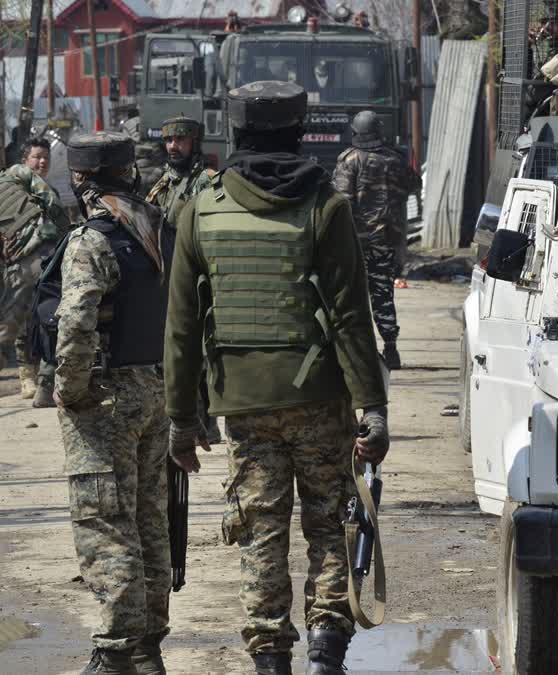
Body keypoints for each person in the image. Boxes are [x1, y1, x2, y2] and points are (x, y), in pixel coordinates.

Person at [162, 81, 390, 675]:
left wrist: (182, 422)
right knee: (328, 524)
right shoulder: (325, 207)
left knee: (261, 532)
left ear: (235, 133)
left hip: (242, 402)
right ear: (297, 132)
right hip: (319, 397)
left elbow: (182, 329)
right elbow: (349, 317)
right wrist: (373, 407)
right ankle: (326, 655)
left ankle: (270, 661)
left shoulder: (200, 208)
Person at [55, 131, 173, 675]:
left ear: (80, 180)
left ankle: (118, 651)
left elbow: (76, 325)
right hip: (154, 387)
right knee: (149, 517)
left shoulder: (92, 240)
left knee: (105, 520)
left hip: (107, 397)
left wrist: (71, 390)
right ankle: (147, 648)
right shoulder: (154, 228)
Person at [0, 161, 68, 409]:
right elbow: (51, 200)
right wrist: (64, 235)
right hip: (53, 256)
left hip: (22, 268)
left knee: (5, 327)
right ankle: (45, 388)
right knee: (55, 321)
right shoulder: (18, 173)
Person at [145, 115, 222, 444]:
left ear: (194, 142)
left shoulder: (208, 180)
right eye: (169, 141)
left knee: (204, 349)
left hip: (200, 273)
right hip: (170, 274)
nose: (173, 147)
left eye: (180, 140)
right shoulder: (163, 183)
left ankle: (209, 419)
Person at [332, 110, 421, 371]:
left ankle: (356, 352)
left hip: (354, 242)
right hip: (386, 239)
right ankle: (390, 348)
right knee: (382, 293)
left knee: (351, 295)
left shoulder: (348, 160)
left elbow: (340, 199)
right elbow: (414, 185)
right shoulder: (394, 159)